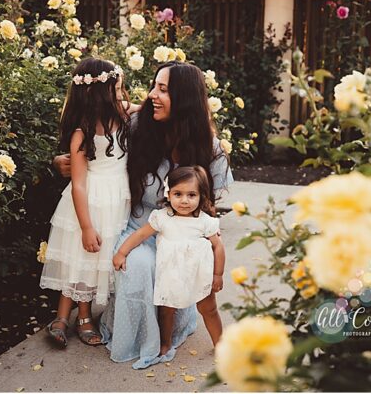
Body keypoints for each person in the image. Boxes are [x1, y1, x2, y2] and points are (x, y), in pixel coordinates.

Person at [53, 61, 233, 369]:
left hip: (181, 235)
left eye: (163, 89)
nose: (152, 95)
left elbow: (211, 209)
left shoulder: (210, 149)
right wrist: (60, 161)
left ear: (185, 97)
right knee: (137, 267)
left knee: (171, 267)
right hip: (140, 226)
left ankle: (170, 328)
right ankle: (135, 336)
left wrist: (205, 256)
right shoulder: (138, 127)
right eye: (154, 86)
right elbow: (95, 143)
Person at [39, 59, 133, 348]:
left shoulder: (123, 116)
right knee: (79, 261)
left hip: (116, 200)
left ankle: (75, 317)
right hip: (89, 204)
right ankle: (70, 318)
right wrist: (86, 225)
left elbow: (139, 107)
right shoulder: (82, 133)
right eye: (116, 88)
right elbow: (78, 182)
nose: (121, 93)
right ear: (99, 94)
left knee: (93, 263)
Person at [112, 165, 225, 365]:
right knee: (166, 311)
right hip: (171, 275)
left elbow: (218, 247)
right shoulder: (162, 218)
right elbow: (139, 235)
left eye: (192, 195)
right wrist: (122, 252)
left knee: (208, 309)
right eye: (178, 194)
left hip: (199, 275)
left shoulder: (205, 222)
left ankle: (220, 344)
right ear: (168, 193)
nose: (184, 200)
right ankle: (165, 344)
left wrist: (217, 275)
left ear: (201, 196)